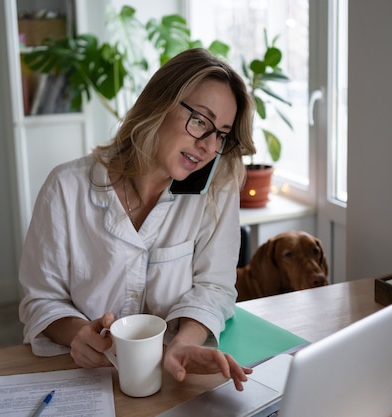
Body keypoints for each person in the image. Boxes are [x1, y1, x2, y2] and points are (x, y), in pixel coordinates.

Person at [18, 48, 257, 391]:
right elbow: (40, 299)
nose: (207, 146)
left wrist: (184, 342)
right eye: (200, 121)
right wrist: (77, 334)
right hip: (85, 378)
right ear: (158, 104)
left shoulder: (216, 190)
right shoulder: (65, 188)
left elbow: (214, 286)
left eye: (220, 134)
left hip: (172, 377)